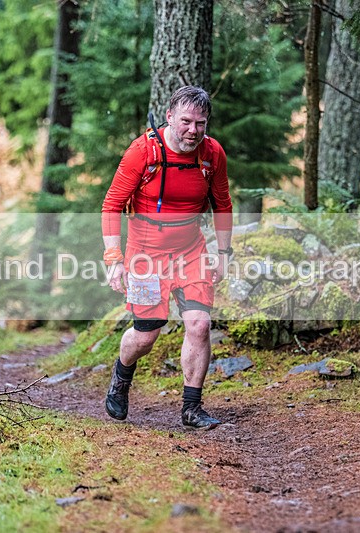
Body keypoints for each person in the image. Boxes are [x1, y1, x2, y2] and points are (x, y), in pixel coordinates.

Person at [100, 85, 233, 430]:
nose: (193, 130)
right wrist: (114, 258)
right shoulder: (142, 152)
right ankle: (122, 375)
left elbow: (223, 205)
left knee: (199, 324)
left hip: (191, 251)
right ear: (170, 117)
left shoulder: (212, 154)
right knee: (146, 334)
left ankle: (192, 407)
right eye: (186, 121)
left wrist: (224, 253)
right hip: (145, 254)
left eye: (200, 123)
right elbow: (112, 204)